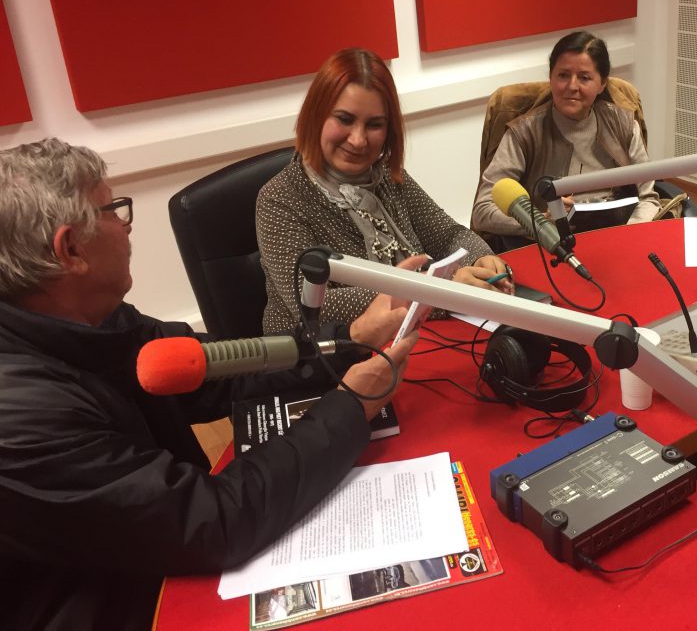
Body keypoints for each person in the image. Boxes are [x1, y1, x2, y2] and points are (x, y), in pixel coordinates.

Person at [0, 138, 419, 630]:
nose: (126, 224)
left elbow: (217, 370)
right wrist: (350, 406)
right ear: (71, 248)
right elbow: (214, 521)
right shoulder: (22, 418)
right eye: (112, 209)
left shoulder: (93, 320)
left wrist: (348, 339)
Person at [257, 48, 510, 335]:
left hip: (410, 333)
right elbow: (316, 305)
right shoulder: (279, 198)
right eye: (345, 119)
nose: (358, 139)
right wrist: (442, 290)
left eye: (374, 125)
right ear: (316, 116)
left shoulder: (388, 176)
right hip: (322, 352)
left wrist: (480, 259)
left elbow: (449, 235)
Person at [471, 31, 660, 248]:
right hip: (551, 247)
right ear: (551, 78)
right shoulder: (523, 133)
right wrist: (542, 223)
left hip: (617, 239)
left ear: (601, 84)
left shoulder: (624, 125)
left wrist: (627, 237)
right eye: (563, 75)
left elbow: (648, 198)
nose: (572, 86)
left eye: (584, 77)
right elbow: (483, 211)